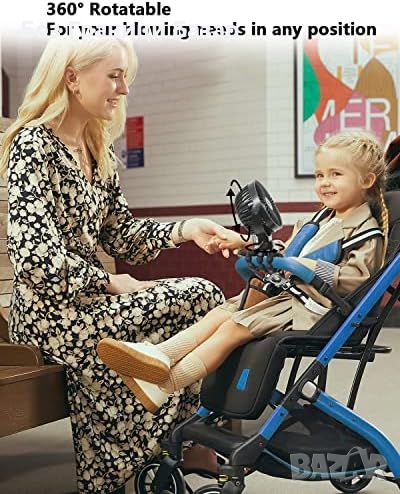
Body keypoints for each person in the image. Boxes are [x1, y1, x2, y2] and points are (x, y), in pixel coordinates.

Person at [0, 39, 248, 493]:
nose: (124, 88)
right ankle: (153, 451)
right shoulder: (33, 145)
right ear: (72, 78)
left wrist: (186, 229)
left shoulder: (98, 150)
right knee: (199, 298)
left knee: (203, 299)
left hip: (89, 305)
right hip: (48, 315)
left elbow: (122, 236)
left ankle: (164, 444)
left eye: (125, 77)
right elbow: (35, 258)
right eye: (114, 75)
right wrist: (110, 282)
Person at [97, 130, 388, 414]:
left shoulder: (366, 233)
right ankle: (162, 354)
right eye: (320, 175)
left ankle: (165, 385)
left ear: (367, 180)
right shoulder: (320, 219)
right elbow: (288, 253)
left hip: (313, 310)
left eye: (336, 174)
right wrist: (246, 243)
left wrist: (303, 267)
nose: (324, 183)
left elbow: (356, 280)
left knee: (232, 329)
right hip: (286, 295)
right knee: (222, 313)